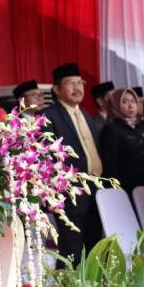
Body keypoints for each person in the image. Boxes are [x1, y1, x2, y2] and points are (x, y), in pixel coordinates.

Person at [41, 63, 103, 265]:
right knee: (72, 249)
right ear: (57, 89)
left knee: (93, 247)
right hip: (70, 194)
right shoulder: (49, 116)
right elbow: (46, 159)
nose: (77, 88)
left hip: (94, 190)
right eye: (71, 84)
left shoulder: (85, 114)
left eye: (80, 83)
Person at [100, 88, 144, 194]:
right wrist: (116, 189)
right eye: (124, 102)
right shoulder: (111, 129)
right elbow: (110, 164)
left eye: (133, 101)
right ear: (116, 104)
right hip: (126, 187)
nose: (130, 105)